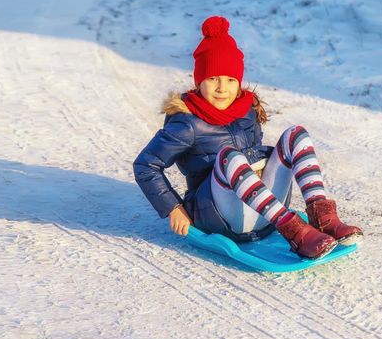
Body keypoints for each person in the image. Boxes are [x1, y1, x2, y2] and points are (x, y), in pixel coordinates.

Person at [133, 16, 363, 259]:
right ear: (199, 81)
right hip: (219, 216)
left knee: (296, 135)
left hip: (262, 212)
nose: (222, 88)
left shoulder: (246, 109)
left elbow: (255, 152)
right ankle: (295, 232)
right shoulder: (187, 122)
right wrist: (174, 208)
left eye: (230, 80)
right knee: (229, 157)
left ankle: (323, 218)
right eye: (213, 79)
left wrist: (264, 167)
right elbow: (146, 165)